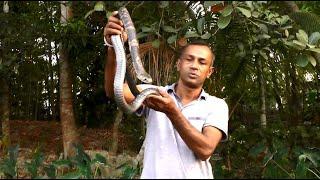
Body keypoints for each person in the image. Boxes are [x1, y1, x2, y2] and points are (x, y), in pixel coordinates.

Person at [104, 11, 229, 179]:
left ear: (209, 72)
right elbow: (114, 90)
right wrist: (113, 45)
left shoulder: (216, 105)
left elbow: (205, 150)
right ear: (178, 64)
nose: (194, 66)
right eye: (189, 59)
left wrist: (172, 111)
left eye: (202, 62)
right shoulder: (157, 93)